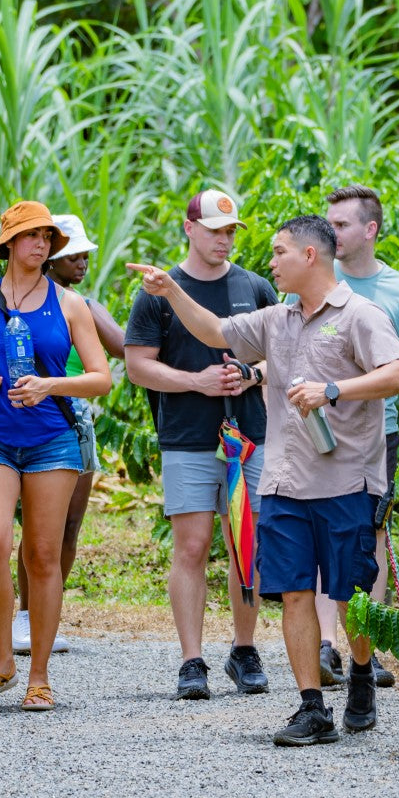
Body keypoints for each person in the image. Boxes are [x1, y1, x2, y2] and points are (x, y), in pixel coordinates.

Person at [128, 215, 399, 746]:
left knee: (352, 596)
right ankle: (311, 708)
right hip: (282, 485)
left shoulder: (360, 315)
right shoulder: (275, 320)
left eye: (280, 252)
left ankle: (359, 674)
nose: (270, 261)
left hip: (348, 482)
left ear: (310, 256)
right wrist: (169, 291)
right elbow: (216, 332)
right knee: (296, 594)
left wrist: (334, 390)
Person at [125, 189, 278, 700]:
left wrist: (251, 376)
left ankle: (244, 649)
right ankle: (192, 660)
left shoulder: (254, 287)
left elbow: (283, 354)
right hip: (188, 437)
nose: (224, 239)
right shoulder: (158, 291)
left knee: (247, 549)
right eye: (215, 230)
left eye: (231, 231)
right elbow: (137, 365)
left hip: (250, 438)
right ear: (189, 228)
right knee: (190, 547)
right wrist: (198, 382)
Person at [0, 202, 112, 712]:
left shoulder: (70, 304)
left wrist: (51, 384)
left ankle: (39, 674)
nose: (41, 245)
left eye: (47, 237)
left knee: (44, 556)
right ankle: (2, 661)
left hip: (53, 438)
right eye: (30, 236)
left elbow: (102, 378)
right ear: (8, 244)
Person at [314, 185, 399, 689]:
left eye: (341, 225)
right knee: (320, 533)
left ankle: (370, 642)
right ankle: (326, 646)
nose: (331, 233)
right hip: (318, 430)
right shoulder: (315, 277)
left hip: (378, 435)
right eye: (329, 224)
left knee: (373, 537)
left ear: (371, 229)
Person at [9, 213, 126, 657]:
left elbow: (122, 346)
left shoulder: (82, 304)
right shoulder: (18, 301)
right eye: (71, 254)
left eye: (85, 255)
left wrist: (90, 305)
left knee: (70, 524)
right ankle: (25, 614)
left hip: (75, 414)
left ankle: (47, 614)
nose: (80, 262)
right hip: (33, 413)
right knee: (38, 527)